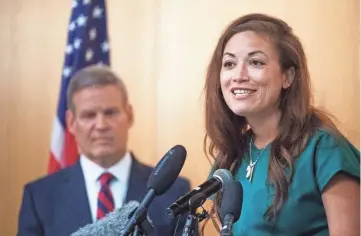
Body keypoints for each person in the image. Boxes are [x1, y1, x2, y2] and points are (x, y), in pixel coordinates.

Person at [202, 13, 360, 235]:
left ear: (288, 76)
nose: (238, 75)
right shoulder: (230, 156)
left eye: (256, 62)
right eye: (229, 63)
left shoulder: (324, 149)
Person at [17, 65, 191, 236]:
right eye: (89, 115)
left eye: (110, 113)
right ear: (71, 122)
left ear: (129, 115)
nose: (101, 125)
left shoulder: (175, 191)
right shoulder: (39, 196)